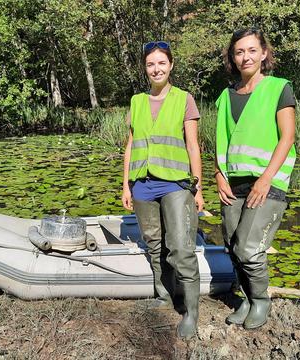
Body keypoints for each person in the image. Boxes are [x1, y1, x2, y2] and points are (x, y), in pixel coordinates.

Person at [215, 28, 296, 329]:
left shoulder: (279, 88)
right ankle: (246, 299)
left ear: (263, 54)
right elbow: (221, 141)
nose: (245, 56)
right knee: (232, 244)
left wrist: (265, 179)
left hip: (268, 182)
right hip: (232, 183)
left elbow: (287, 137)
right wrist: (218, 175)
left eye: (251, 50)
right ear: (233, 58)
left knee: (248, 248)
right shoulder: (226, 96)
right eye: (239, 52)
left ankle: (261, 301)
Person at [121, 41, 204, 338]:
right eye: (150, 64)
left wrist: (198, 186)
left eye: (161, 63)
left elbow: (193, 144)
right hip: (143, 183)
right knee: (155, 244)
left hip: (175, 182)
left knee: (181, 247)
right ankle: (164, 294)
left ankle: (191, 312)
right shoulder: (136, 101)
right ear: (145, 69)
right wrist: (126, 185)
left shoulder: (185, 99)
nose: (156, 69)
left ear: (171, 66)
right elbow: (131, 144)